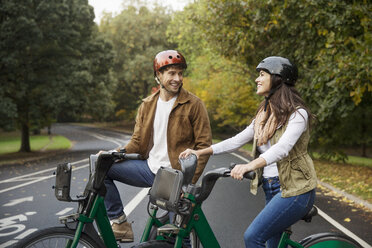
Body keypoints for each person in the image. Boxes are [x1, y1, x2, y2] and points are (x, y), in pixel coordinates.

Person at [180, 56, 317, 248]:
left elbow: (282, 148)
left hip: (296, 190)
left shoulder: (297, 113)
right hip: (271, 187)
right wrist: (199, 152)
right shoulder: (264, 115)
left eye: (262, 75)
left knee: (253, 237)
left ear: (278, 78)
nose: (257, 79)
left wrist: (249, 165)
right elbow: (237, 140)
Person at [103, 50, 212, 242]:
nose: (177, 78)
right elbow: (137, 142)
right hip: (150, 170)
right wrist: (113, 153)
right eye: (171, 73)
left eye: (180, 73)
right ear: (158, 76)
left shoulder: (194, 104)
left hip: (176, 177)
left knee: (178, 237)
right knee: (103, 167)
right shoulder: (147, 105)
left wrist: (186, 183)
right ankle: (120, 223)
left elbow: (203, 147)